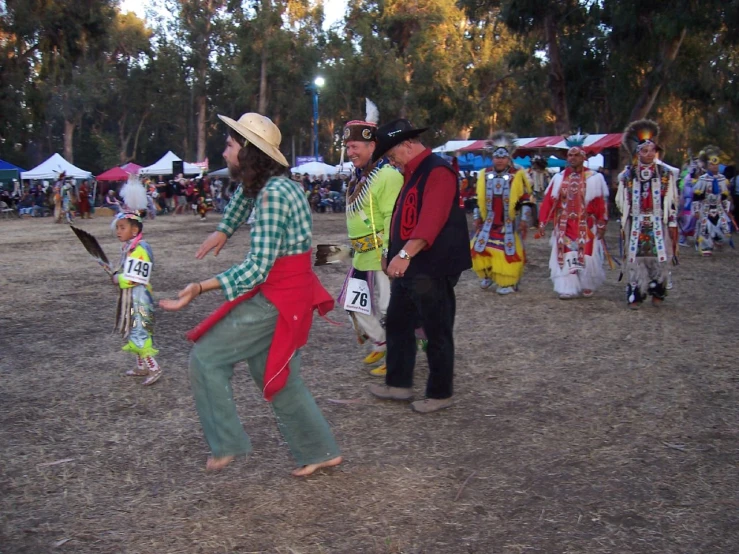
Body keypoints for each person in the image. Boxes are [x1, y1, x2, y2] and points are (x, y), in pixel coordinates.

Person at [159, 112, 342, 475]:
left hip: (278, 297)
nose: (224, 151)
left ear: (249, 152)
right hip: (289, 292)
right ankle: (320, 450)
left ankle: (225, 444)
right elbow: (244, 196)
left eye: (230, 145)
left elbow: (258, 267)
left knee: (206, 357)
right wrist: (225, 230)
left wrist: (198, 288)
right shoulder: (276, 184)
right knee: (277, 377)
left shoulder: (273, 195)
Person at [367, 119, 471, 414]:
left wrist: (406, 254)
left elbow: (431, 221)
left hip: (431, 267)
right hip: (412, 266)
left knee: (437, 329)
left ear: (407, 145)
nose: (391, 160)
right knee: (399, 324)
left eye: (391, 154)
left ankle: (440, 393)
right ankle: (398, 384)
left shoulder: (437, 171)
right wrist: (392, 251)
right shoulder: (412, 173)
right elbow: (402, 218)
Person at [335, 99, 402, 376]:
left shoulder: (387, 176)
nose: (350, 152)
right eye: (348, 147)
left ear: (372, 146)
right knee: (353, 302)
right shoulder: (360, 177)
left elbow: (391, 218)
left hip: (383, 256)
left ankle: (397, 354)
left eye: (355, 147)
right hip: (363, 255)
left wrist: (389, 255)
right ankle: (382, 342)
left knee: (390, 308)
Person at [536, 132, 609, 300]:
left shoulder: (595, 178)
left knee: (587, 255)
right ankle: (567, 286)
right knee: (566, 254)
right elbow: (549, 201)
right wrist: (542, 222)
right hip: (564, 225)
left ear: (584, 157)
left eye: (577, 155)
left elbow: (600, 203)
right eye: (570, 155)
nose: (573, 158)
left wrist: (602, 223)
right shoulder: (559, 178)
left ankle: (586, 284)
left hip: (586, 224)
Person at [615, 120, 678, 308]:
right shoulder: (628, 175)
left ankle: (658, 290)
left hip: (658, 221)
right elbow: (620, 200)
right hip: (636, 222)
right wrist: (627, 216)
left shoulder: (665, 173)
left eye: (652, 150)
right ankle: (636, 293)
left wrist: (672, 222)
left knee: (660, 257)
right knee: (635, 258)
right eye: (644, 151)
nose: (649, 154)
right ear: (637, 153)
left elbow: (672, 200)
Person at [470, 132, 534, 294]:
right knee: (478, 248)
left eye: (503, 157)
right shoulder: (484, 174)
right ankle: (489, 274)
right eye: (496, 157)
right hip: (489, 221)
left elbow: (525, 198)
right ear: (492, 158)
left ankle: (509, 282)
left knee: (507, 251)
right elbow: (479, 198)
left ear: (509, 158)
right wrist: (477, 217)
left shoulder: (517, 175)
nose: (499, 160)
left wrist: (524, 219)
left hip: (508, 222)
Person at [111, 177, 161, 386]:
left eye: (122, 227)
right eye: (118, 227)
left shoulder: (140, 249)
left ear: (134, 230)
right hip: (134, 297)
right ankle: (141, 366)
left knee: (139, 329)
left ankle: (154, 367)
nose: (118, 231)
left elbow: (135, 277)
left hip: (140, 299)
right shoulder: (131, 248)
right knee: (134, 328)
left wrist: (119, 278)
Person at [692, 146, 732, 256]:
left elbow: (725, 195)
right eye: (712, 165)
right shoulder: (703, 179)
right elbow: (696, 196)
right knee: (705, 227)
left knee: (723, 226)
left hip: (718, 207)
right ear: (708, 165)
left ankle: (717, 240)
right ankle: (705, 246)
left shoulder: (722, 179)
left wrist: (727, 208)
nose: (714, 167)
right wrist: (696, 210)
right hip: (705, 207)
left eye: (716, 165)